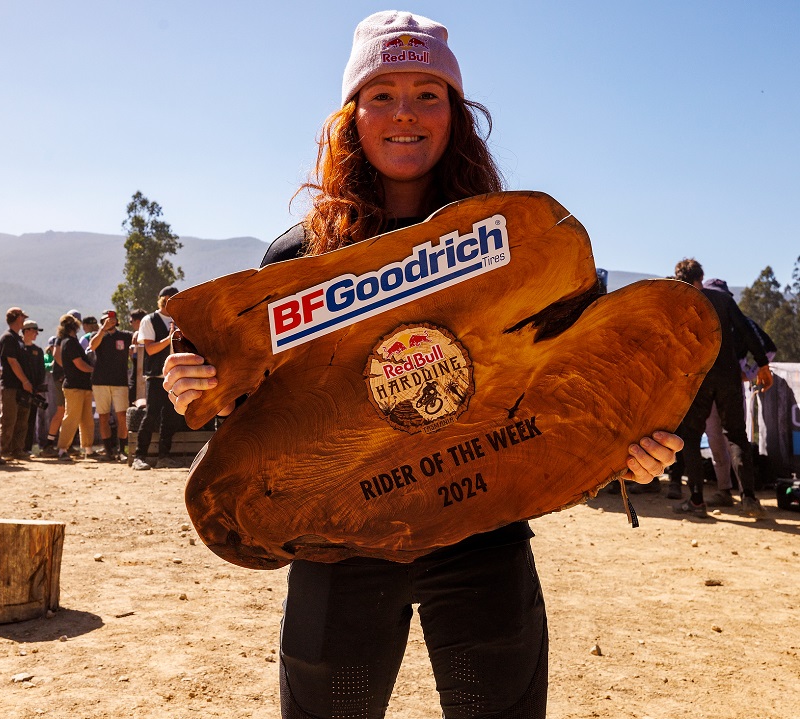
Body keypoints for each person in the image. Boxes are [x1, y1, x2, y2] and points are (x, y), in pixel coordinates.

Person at [162, 12, 681, 718]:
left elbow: (572, 377)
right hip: (339, 541)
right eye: (382, 93)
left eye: (427, 92)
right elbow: (260, 416)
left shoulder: (517, 245)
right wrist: (205, 388)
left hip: (481, 530)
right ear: (352, 115)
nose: (404, 112)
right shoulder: (298, 261)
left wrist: (626, 446)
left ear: (456, 113)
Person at [672, 260, 772, 519]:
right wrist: (762, 365)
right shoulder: (721, 298)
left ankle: (696, 501)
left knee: (691, 436)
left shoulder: (680, 301)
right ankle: (749, 499)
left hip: (699, 376)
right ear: (701, 277)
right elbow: (748, 330)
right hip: (728, 375)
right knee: (737, 435)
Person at [134, 287, 185, 470]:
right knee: (151, 415)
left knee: (171, 417)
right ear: (164, 300)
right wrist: (169, 338)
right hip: (156, 376)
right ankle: (139, 456)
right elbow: (150, 349)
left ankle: (164, 456)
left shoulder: (180, 319)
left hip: (175, 375)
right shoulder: (149, 320)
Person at [89, 309, 133, 462]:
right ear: (102, 322)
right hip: (100, 381)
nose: (111, 321)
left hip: (120, 381)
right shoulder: (98, 336)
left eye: (113, 319)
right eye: (107, 319)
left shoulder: (125, 336)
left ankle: (122, 450)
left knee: (122, 416)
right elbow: (92, 346)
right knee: (103, 417)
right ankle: (109, 451)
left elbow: (138, 340)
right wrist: (102, 330)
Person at [55, 313, 96, 461]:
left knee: (86, 419)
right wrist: (94, 370)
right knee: (71, 418)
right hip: (74, 386)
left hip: (82, 386)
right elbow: (79, 364)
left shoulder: (69, 341)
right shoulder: (70, 343)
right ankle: (62, 449)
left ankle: (88, 449)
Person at [0, 307, 34, 460]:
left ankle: (17, 449)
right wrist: (25, 381)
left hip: (21, 387)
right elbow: (11, 361)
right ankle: (4, 450)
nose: (24, 319)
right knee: (9, 419)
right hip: (11, 385)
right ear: (16, 318)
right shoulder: (8, 338)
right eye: (22, 317)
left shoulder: (18, 339)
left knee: (22, 420)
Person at [20, 319, 48, 458]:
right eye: (34, 330)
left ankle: (27, 448)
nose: (36, 333)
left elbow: (41, 371)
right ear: (26, 331)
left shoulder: (38, 350)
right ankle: (15, 448)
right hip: (19, 390)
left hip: (33, 391)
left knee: (31, 419)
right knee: (18, 420)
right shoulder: (18, 349)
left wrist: (37, 388)